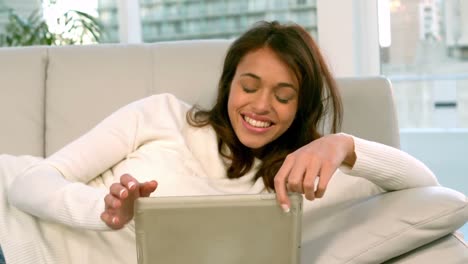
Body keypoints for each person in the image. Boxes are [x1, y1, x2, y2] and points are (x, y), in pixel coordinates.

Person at [0, 21, 438, 264]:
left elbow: (431, 195)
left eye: (283, 96)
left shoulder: (309, 180)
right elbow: (31, 181)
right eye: (249, 86)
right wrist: (105, 211)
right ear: (229, 84)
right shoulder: (161, 115)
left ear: (301, 106)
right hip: (10, 220)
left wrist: (343, 146)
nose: (262, 105)